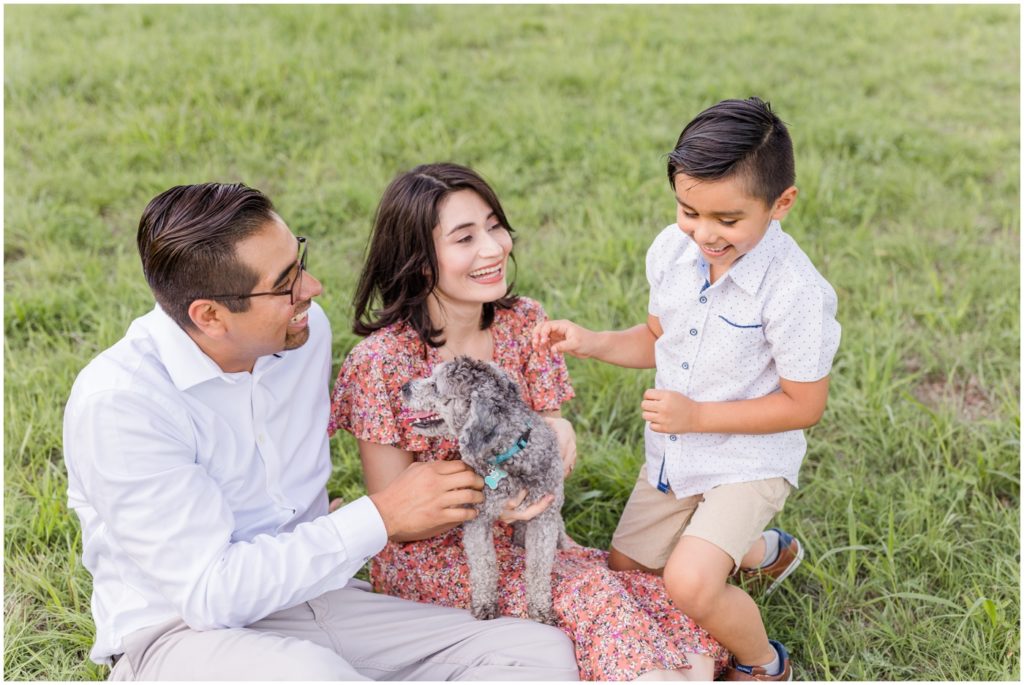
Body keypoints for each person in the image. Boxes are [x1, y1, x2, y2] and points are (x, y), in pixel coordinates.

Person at [62, 182, 580, 681]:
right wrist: (382, 515)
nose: (313, 288)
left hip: (318, 594)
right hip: (181, 633)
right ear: (211, 316)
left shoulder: (303, 337)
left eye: (300, 262)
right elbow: (210, 592)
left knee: (537, 653)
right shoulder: (123, 404)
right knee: (314, 675)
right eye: (286, 283)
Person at [329, 162, 730, 681]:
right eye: (465, 237)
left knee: (660, 601)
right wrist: (496, 493)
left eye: (495, 226)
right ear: (420, 261)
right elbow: (397, 517)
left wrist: (557, 434)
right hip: (439, 559)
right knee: (590, 597)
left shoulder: (523, 323)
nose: (494, 247)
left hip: (531, 536)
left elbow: (543, 434)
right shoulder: (381, 364)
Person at [533, 97, 841, 681]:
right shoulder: (673, 253)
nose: (705, 233)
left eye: (728, 220)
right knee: (627, 571)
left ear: (782, 204)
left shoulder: (795, 291)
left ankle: (763, 663)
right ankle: (762, 552)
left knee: (690, 583)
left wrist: (698, 414)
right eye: (688, 210)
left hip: (749, 459)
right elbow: (658, 338)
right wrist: (593, 340)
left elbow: (806, 405)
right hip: (677, 456)